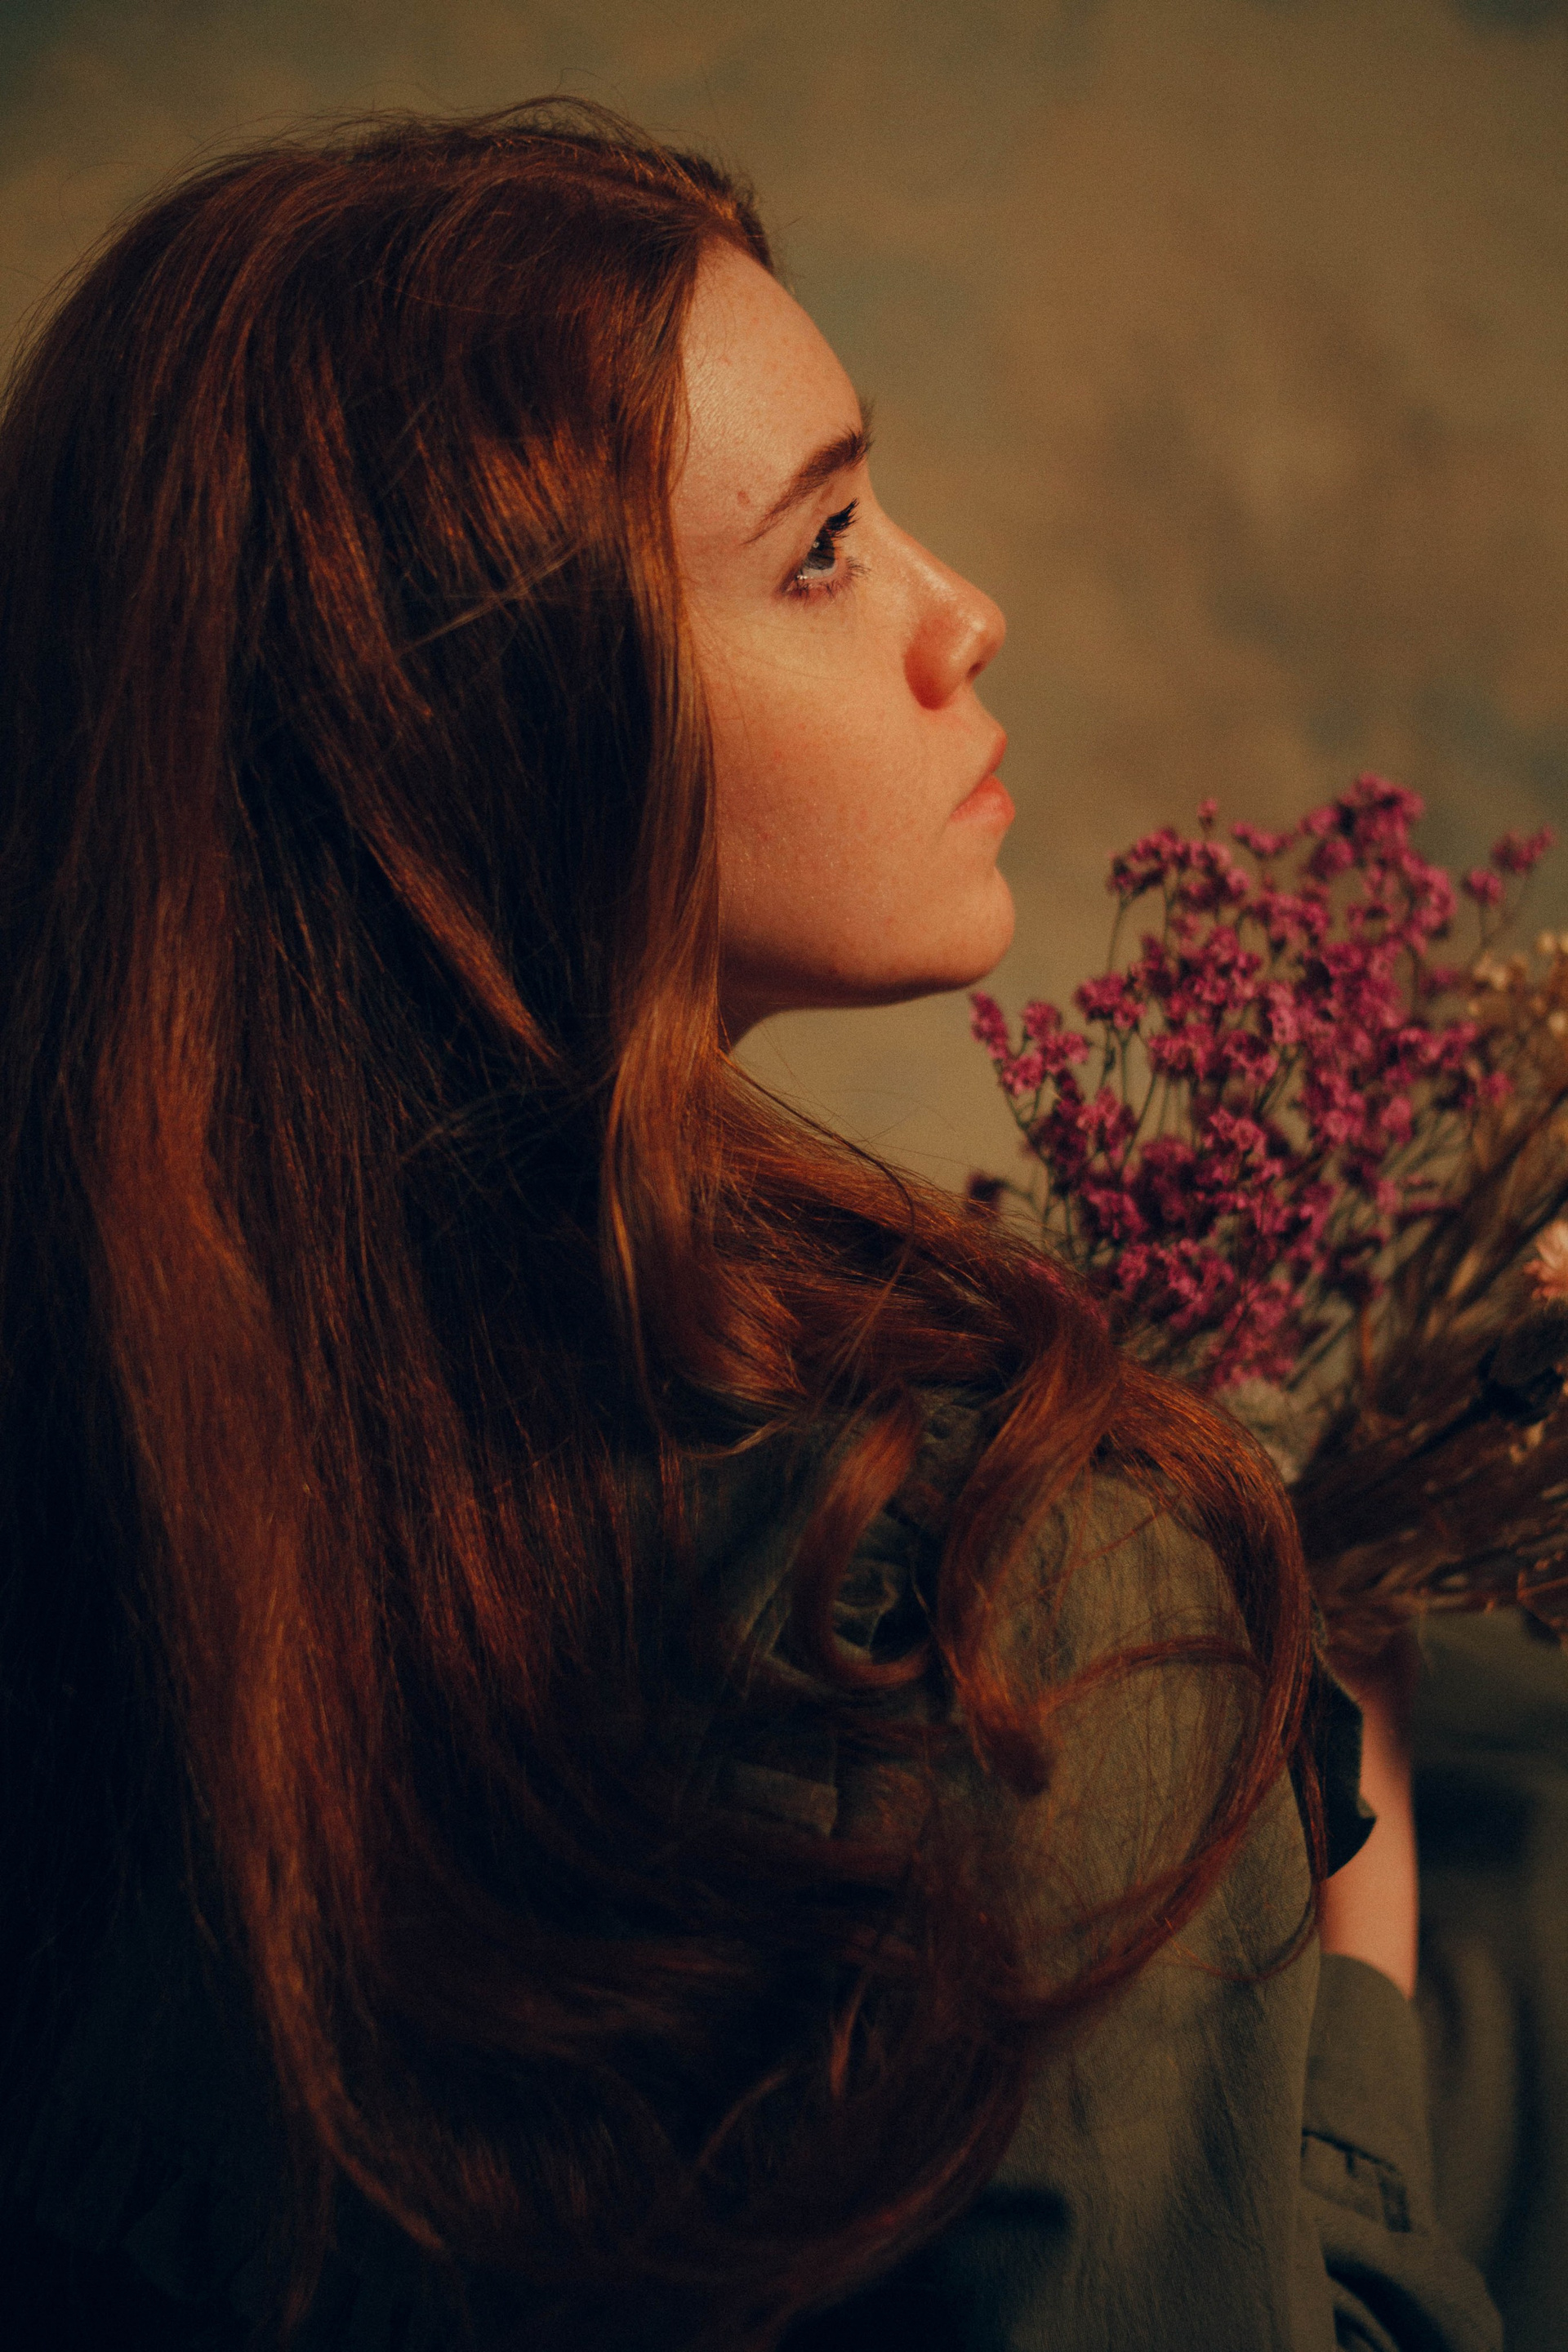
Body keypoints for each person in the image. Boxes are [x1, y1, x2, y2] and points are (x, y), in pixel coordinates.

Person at [0, 101, 1500, 2350]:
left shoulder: (128, 1474)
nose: (963, 615)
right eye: (823, 550)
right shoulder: (1020, 1588)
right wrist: (1354, 1971)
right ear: (484, 741)